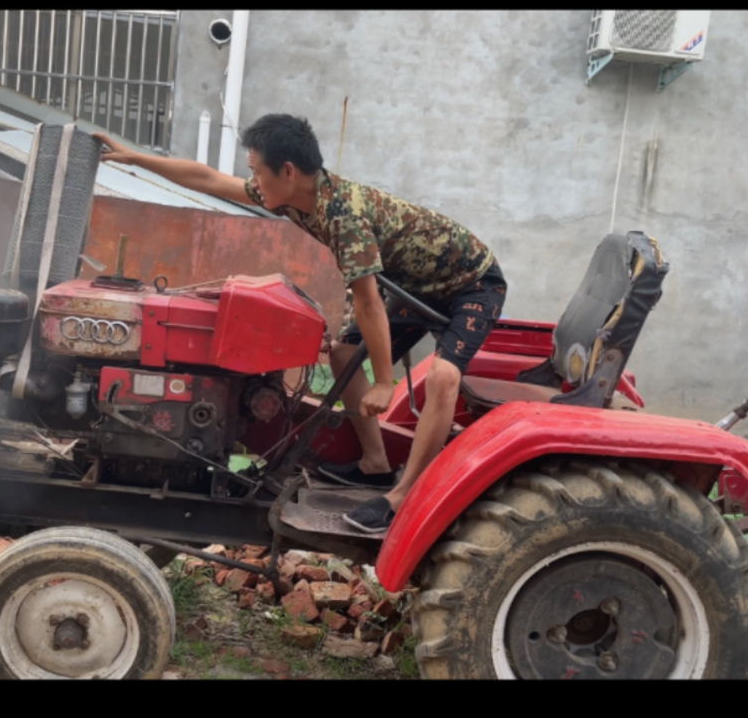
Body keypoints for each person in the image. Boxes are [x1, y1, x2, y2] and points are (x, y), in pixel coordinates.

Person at [92, 115, 506, 533]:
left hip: (471, 284)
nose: (252, 179)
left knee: (442, 377)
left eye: (257, 171)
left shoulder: (345, 216)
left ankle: (402, 499)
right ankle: (376, 465)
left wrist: (384, 382)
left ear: (287, 171)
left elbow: (368, 301)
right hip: (415, 285)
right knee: (344, 354)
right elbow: (209, 178)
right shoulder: (291, 195)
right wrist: (135, 158)